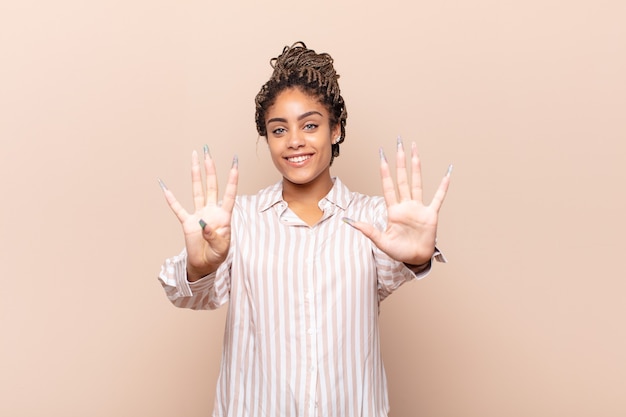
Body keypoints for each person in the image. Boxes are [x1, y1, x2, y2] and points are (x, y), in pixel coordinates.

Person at [157, 42, 451, 417]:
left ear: (336, 130)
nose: (294, 140)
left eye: (310, 125)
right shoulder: (238, 221)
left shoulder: (377, 219)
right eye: (279, 130)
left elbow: (400, 262)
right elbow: (184, 292)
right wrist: (200, 267)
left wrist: (419, 255)